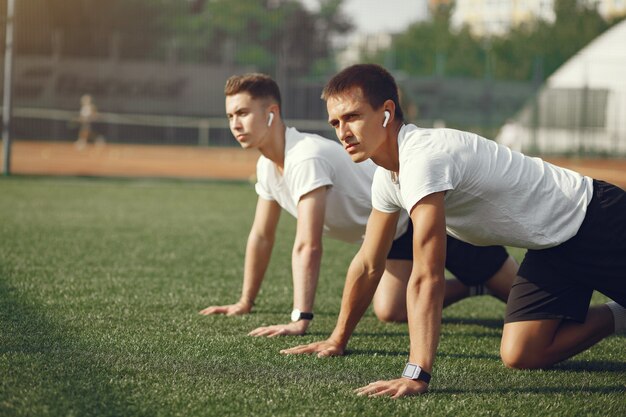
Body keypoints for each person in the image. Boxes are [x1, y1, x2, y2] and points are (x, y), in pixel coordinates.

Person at [281, 64, 626, 398]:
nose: (342, 131)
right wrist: (337, 339)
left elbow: (427, 274)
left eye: (353, 116)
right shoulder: (388, 177)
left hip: (597, 219)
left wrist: (416, 373)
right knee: (522, 354)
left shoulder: (423, 158)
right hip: (550, 246)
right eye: (336, 122)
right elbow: (369, 263)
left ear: (386, 111)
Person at [199, 73, 518, 336]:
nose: (235, 124)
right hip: (390, 233)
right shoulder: (268, 167)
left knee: (527, 302)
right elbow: (261, 236)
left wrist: (301, 318)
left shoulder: (305, 156)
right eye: (230, 116)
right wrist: (245, 301)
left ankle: (495, 279)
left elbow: (308, 245)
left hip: (424, 213)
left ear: (271, 113)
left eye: (242, 113)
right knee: (390, 310)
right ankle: (475, 286)